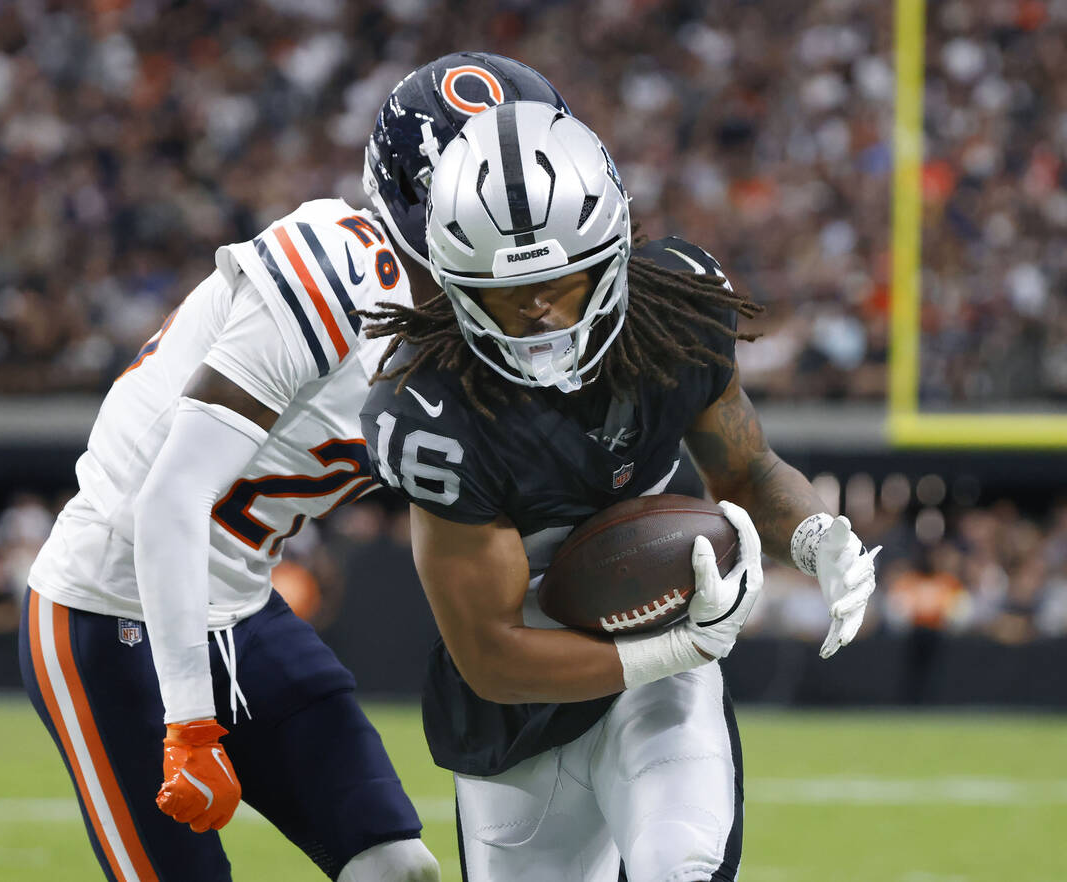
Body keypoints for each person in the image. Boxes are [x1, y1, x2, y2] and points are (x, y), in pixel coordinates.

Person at [18, 54, 570, 882]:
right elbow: (168, 501)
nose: (527, 219)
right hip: (111, 608)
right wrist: (191, 727)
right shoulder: (335, 273)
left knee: (400, 869)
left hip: (240, 608)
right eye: (496, 190)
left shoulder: (478, 321)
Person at [360, 102, 881, 882]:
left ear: (612, 254)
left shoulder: (679, 309)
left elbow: (749, 471)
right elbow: (493, 655)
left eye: (558, 283)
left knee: (683, 866)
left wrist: (814, 535)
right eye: (507, 293)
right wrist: (670, 645)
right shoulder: (430, 407)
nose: (536, 310)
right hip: (520, 709)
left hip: (660, 685)